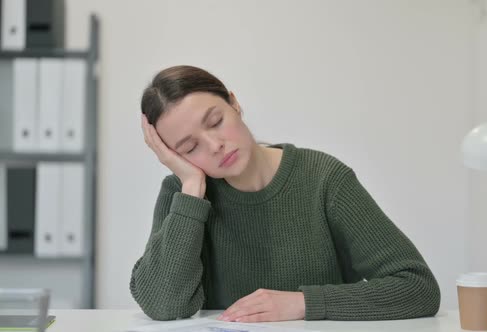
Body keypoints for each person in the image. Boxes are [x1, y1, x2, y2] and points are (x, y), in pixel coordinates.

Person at [130, 65, 440, 323]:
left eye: (216, 122)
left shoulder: (323, 179)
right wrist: (192, 190)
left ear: (234, 103)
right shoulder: (184, 195)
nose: (214, 146)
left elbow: (417, 287)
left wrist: (304, 303)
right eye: (190, 148)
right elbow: (163, 305)